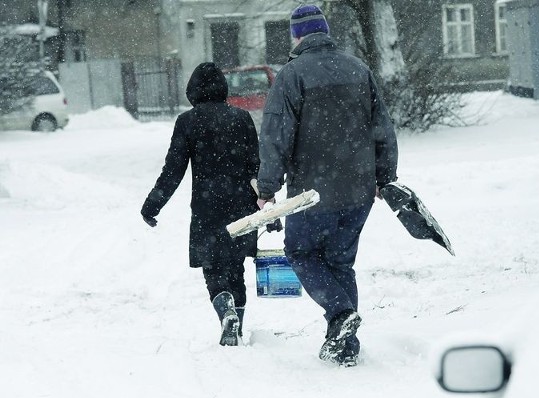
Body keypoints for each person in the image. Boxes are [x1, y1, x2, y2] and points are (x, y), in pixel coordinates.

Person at [257, 5, 398, 366]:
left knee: (301, 253)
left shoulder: (292, 75)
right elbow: (382, 126)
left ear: (297, 36)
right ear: (324, 31)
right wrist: (385, 177)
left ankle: (339, 316)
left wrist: (267, 188)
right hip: (360, 189)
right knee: (339, 262)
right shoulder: (357, 68)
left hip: (312, 190)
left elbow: (276, 135)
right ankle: (345, 348)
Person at [141, 62, 259, 346]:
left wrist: (152, 205)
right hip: (242, 206)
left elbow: (173, 171)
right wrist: (267, 205)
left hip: (208, 209)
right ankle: (237, 324)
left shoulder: (188, 121)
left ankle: (225, 311)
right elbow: (256, 167)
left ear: (192, 90)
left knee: (213, 267)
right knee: (236, 267)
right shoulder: (242, 118)